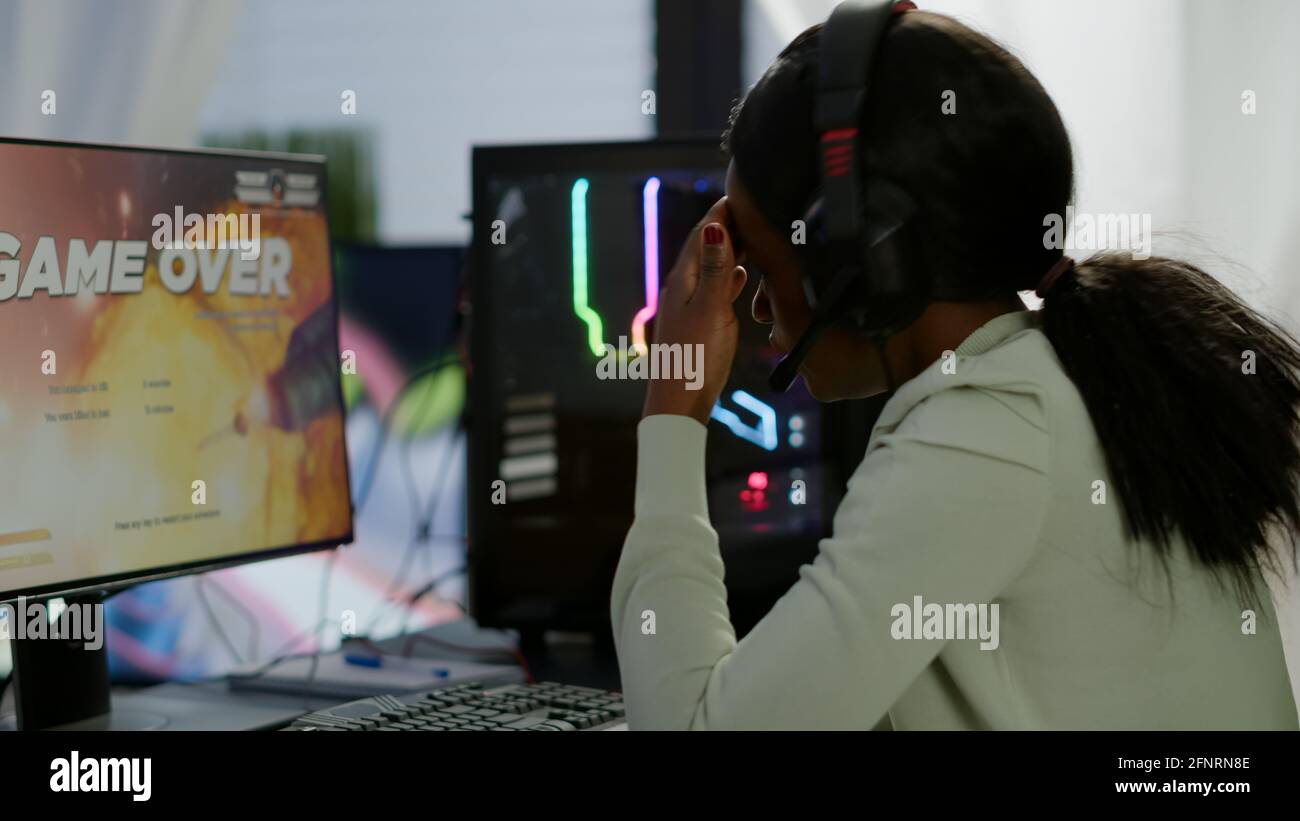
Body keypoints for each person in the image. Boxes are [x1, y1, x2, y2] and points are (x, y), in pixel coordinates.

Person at [609, 7, 1300, 729]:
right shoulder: (1057, 380)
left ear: (851, 259)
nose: (751, 304)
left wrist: (674, 411)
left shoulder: (985, 430)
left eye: (754, 256)